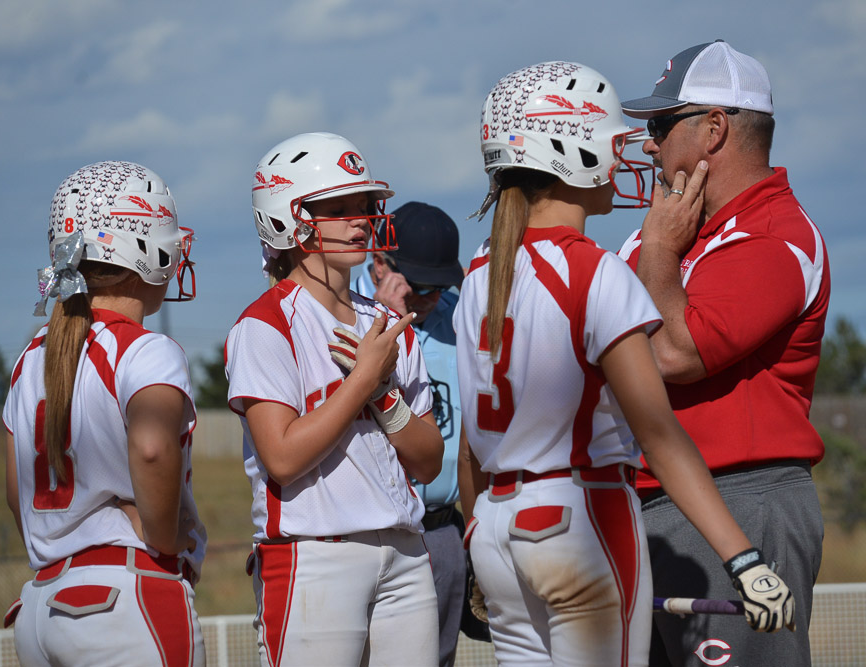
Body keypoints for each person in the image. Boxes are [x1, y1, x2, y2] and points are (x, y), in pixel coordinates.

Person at [454, 61, 795, 666]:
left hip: (495, 527)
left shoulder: (481, 271)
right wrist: (743, 559)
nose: (628, 156)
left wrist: (477, 531)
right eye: (613, 142)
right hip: (580, 520)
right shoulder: (594, 270)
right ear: (570, 151)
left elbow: (471, 448)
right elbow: (659, 436)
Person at [618, 40, 830, 666]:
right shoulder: (675, 227)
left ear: (714, 128)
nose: (649, 145)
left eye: (661, 125)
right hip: (648, 500)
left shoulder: (776, 235)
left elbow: (673, 356)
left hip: (740, 498)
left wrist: (659, 253)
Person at [225, 132, 444, 666]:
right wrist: (363, 381)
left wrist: (384, 397)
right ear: (288, 219)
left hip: (405, 551)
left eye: (363, 206)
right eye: (338, 209)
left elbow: (429, 461)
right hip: (314, 556)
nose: (359, 221)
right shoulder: (265, 324)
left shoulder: (389, 323)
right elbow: (282, 458)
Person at [2, 161, 206, 666]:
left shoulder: (31, 358)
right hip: (122, 600)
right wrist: (162, 535)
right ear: (144, 249)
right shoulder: (145, 350)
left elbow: (15, 493)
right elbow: (153, 448)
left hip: (39, 606)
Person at [354, 201, 476, 664]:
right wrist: (384, 319)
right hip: (368, 534)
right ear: (379, 264)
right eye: (420, 286)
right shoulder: (342, 312)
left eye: (440, 287)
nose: (430, 299)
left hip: (441, 529)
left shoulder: (459, 317)